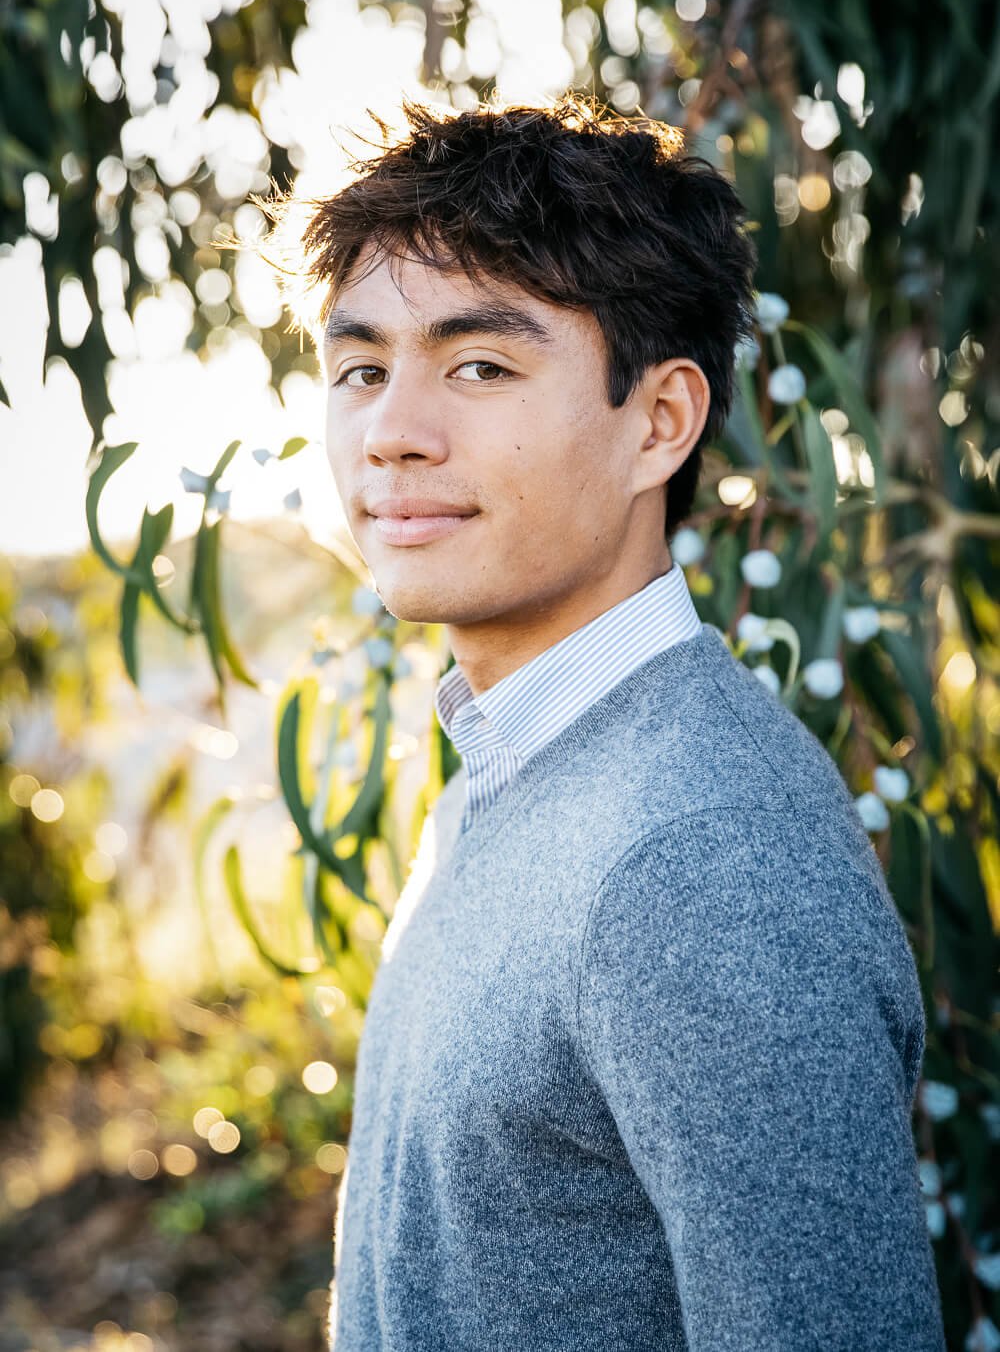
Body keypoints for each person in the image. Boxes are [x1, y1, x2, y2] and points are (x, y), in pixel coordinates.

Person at [296, 96, 945, 1350]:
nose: (391, 433)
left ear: (660, 422)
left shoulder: (702, 861)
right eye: (362, 368)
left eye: (479, 365)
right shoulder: (513, 765)